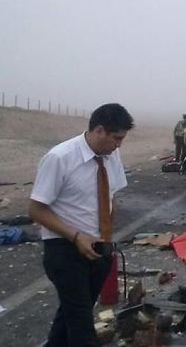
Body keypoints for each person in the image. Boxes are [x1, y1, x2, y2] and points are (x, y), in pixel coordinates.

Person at [29, 103, 134, 347]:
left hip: (99, 249)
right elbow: (36, 209)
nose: (119, 145)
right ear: (99, 130)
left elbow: (112, 195)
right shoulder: (60, 158)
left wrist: (105, 234)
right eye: (116, 138)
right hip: (65, 249)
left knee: (72, 313)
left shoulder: (111, 155)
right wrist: (76, 237)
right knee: (81, 326)